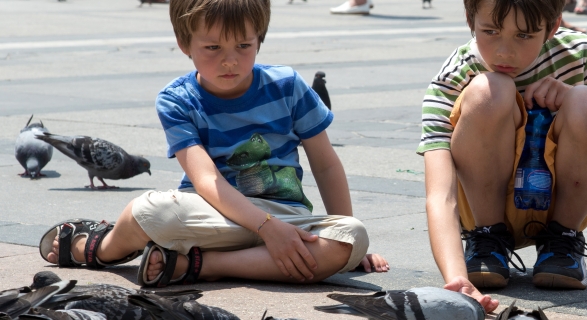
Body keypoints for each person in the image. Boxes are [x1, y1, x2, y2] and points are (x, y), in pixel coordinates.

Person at [38, 0, 388, 288]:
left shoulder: (288, 86)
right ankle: (100, 248)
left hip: (285, 217)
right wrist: (267, 229)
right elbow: (207, 182)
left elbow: (326, 164)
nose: (230, 60)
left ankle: (196, 265)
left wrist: (348, 244)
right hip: (213, 215)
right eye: (212, 47)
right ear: (184, 43)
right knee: (152, 209)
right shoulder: (177, 100)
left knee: (352, 237)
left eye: (243, 46)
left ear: (260, 39)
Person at [418, 0, 587, 312]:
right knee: (489, 90)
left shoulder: (580, 55)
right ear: (471, 21)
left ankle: (562, 240)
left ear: (552, 27)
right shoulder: (457, 75)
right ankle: (486, 239)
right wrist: (456, 278)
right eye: (490, 31)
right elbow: (440, 195)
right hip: (481, 205)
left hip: (564, 202)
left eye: (523, 35)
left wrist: (579, 99)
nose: (504, 52)